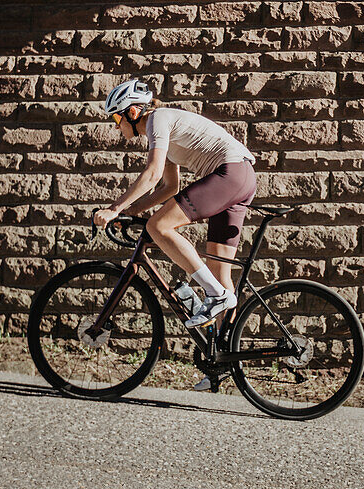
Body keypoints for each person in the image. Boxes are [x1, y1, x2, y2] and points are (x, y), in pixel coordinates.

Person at [92, 79, 258, 388]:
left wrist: (115, 208)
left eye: (116, 119)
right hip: (241, 177)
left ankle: (216, 296)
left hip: (229, 173)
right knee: (222, 278)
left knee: (159, 226)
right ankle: (221, 364)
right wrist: (130, 212)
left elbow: (152, 174)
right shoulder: (161, 129)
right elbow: (169, 186)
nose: (116, 127)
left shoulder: (158, 118)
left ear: (130, 112)